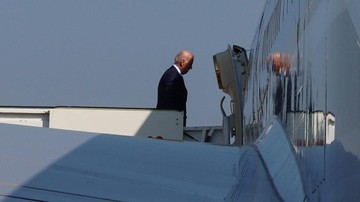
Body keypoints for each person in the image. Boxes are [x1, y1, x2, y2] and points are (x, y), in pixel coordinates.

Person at [156, 50, 194, 126]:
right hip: (170, 125)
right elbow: (167, 101)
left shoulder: (172, 74)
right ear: (182, 62)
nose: (191, 68)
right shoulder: (173, 76)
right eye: (190, 64)